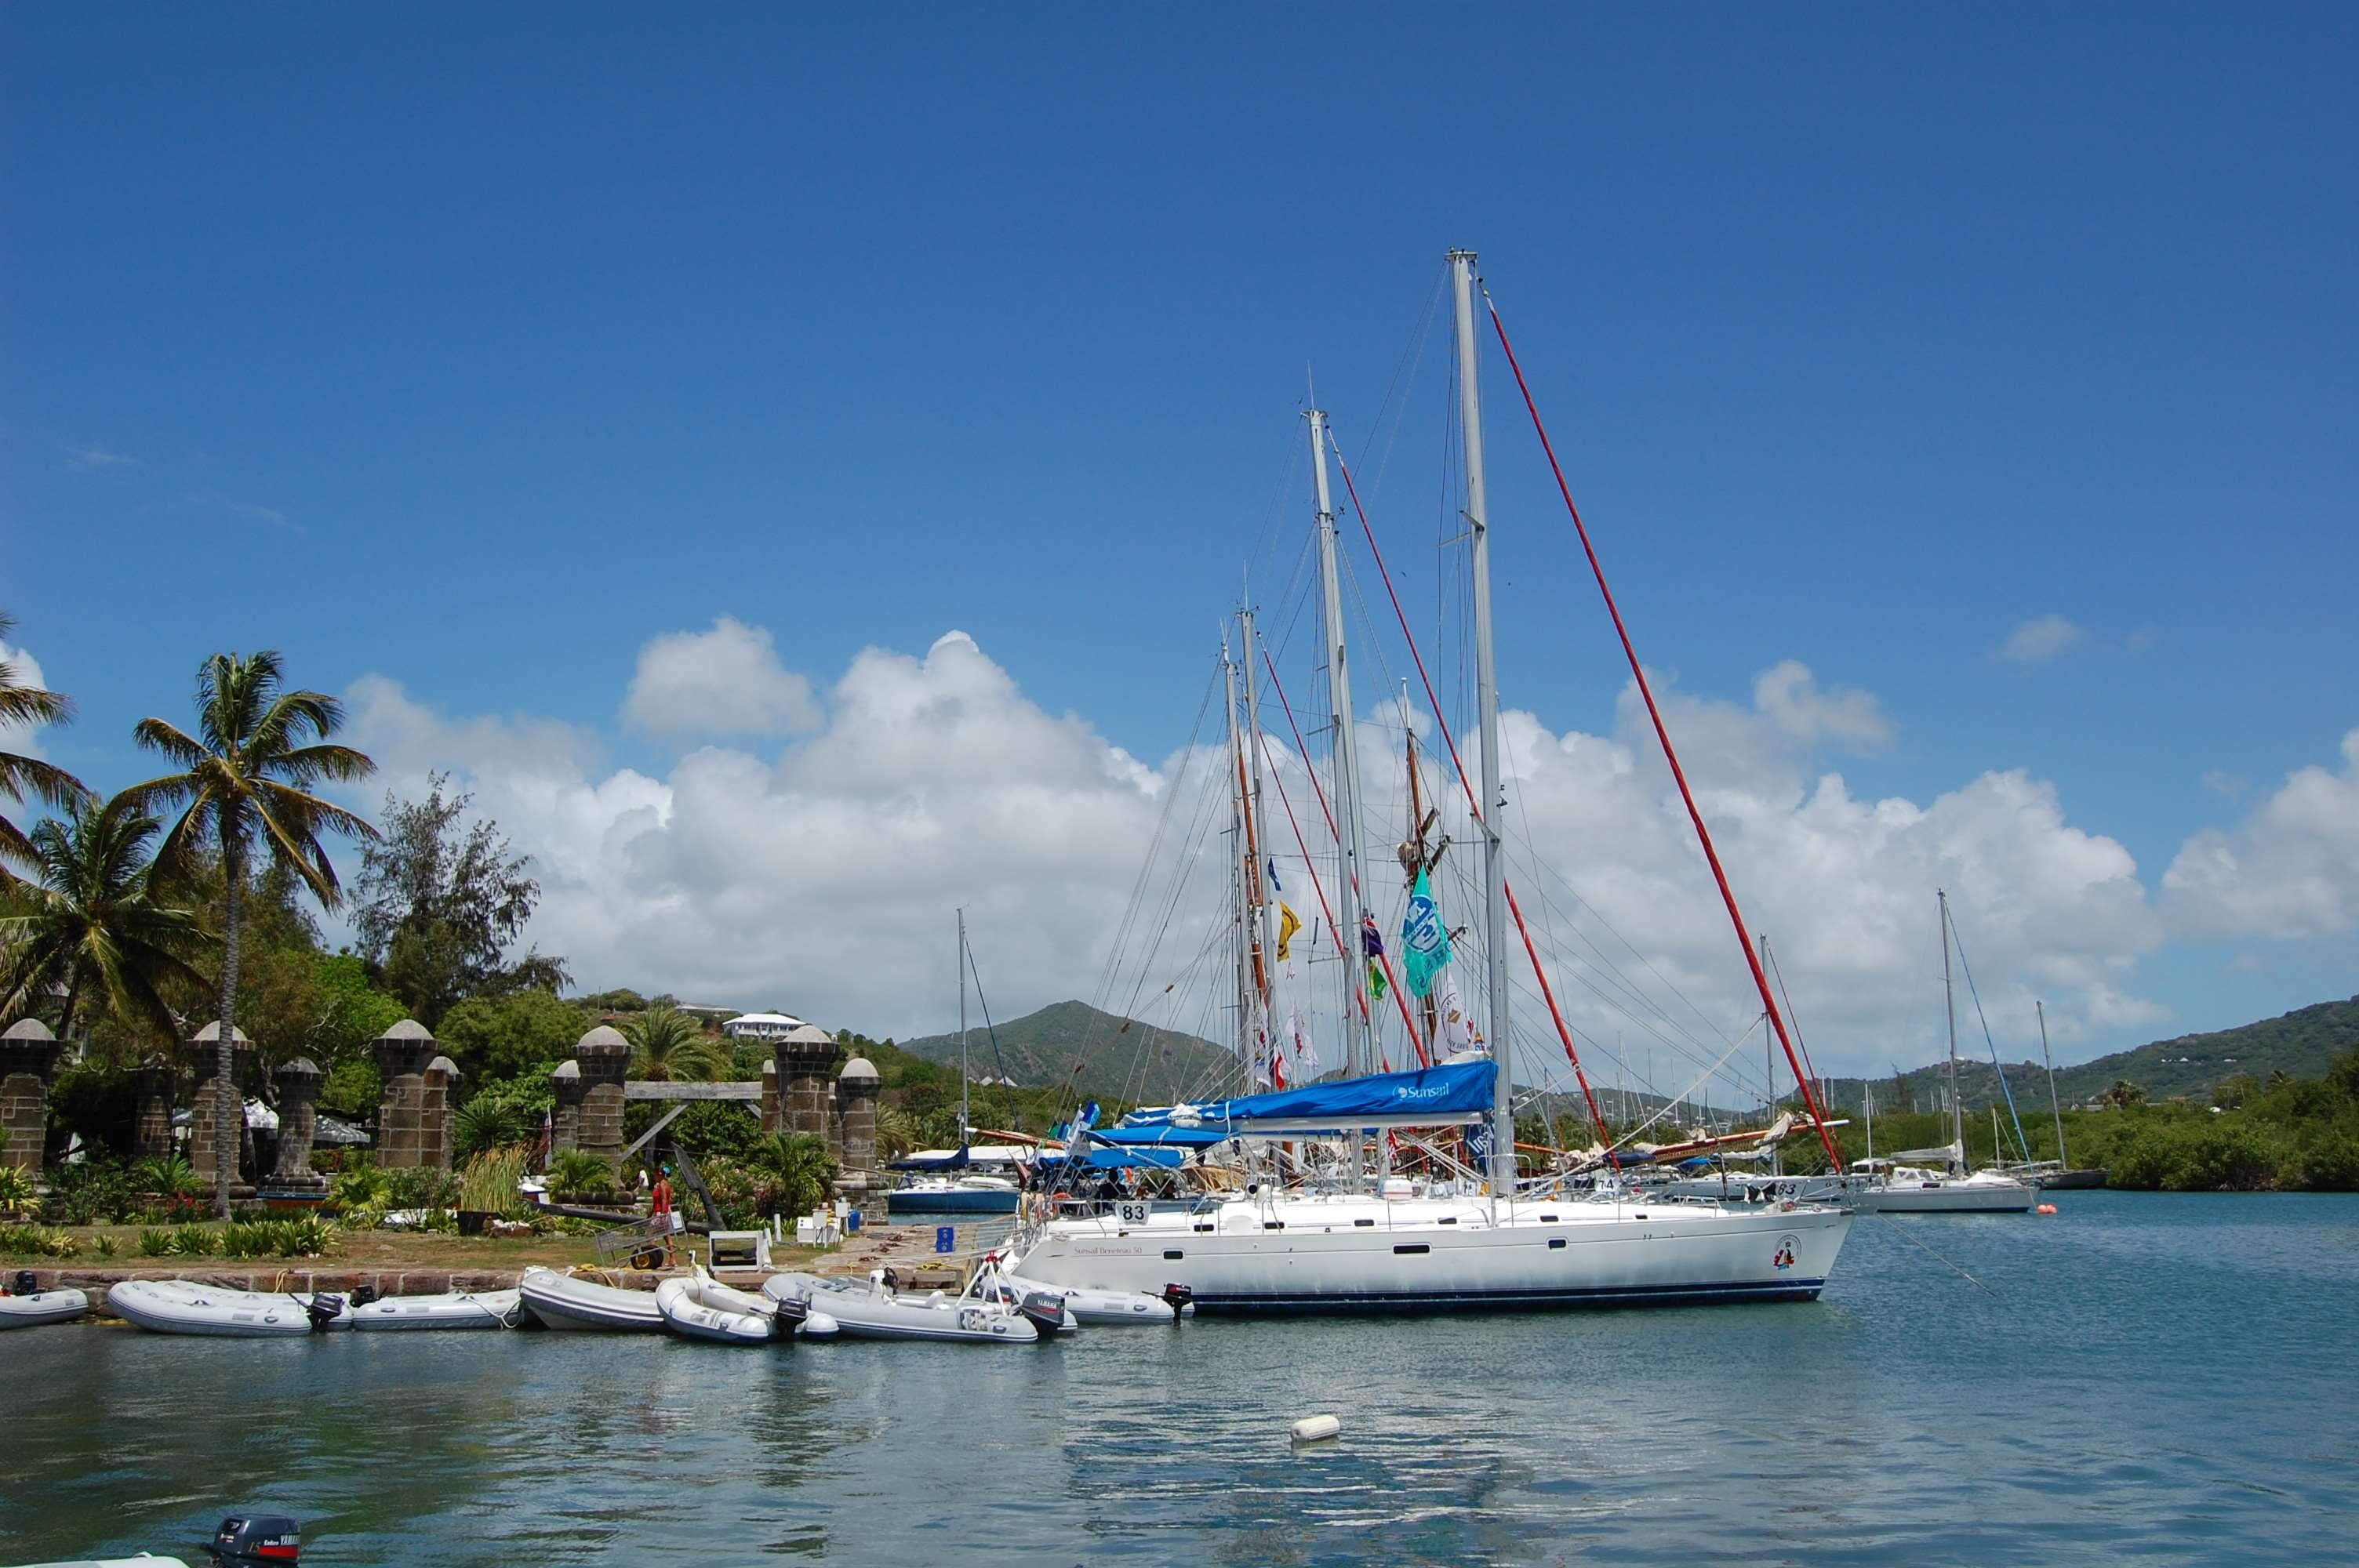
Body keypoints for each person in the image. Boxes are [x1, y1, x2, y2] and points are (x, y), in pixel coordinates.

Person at [649, 1167, 676, 1265]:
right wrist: (650, 1214)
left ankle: (653, 1258)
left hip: (661, 1212)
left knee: (650, 1235)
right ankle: (672, 1259)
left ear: (660, 1175)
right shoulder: (661, 1184)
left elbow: (664, 1199)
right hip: (659, 1211)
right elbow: (656, 1202)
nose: (654, 1177)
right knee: (666, 1236)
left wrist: (663, 1213)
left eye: (656, 1175)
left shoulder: (662, 1184)